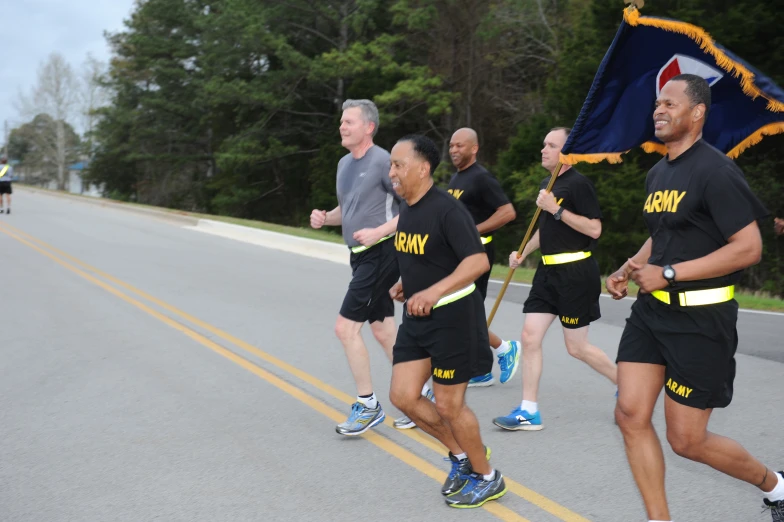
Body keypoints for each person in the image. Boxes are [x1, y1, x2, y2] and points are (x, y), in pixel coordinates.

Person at [606, 74, 783, 522]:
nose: (658, 111)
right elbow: (663, 234)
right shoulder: (657, 172)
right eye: (656, 105)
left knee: (687, 441)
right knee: (629, 414)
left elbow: (748, 248)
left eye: (669, 103)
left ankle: (777, 486)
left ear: (697, 112)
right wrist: (630, 266)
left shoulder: (716, 170)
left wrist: (668, 273)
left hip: (701, 320)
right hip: (651, 315)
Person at [387, 134, 506, 508]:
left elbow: (477, 262)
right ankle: (461, 456)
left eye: (398, 164)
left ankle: (488, 476)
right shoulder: (407, 208)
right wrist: (408, 283)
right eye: (391, 164)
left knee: (449, 405)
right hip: (418, 319)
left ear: (423, 169)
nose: (391, 171)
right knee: (403, 396)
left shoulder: (448, 209)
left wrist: (433, 291)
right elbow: (429, 255)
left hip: (453, 317)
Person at [310, 99, 432, 435]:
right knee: (381, 329)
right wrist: (326, 218)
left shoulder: (383, 162)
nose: (342, 127)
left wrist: (378, 231)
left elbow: (411, 207)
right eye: (341, 122)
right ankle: (418, 393)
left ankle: (368, 406)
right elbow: (347, 210)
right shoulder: (344, 164)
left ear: (369, 127)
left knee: (345, 328)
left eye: (349, 122)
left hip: (383, 252)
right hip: (359, 255)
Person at [492, 127, 618, 431]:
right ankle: (528, 411)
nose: (543, 150)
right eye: (543, 144)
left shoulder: (579, 185)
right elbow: (545, 229)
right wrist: (523, 252)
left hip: (576, 272)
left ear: (567, 154)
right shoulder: (546, 184)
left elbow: (594, 230)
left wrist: (557, 209)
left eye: (551, 145)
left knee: (576, 348)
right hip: (547, 273)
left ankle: (626, 384)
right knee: (529, 337)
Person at [446, 128, 521, 388]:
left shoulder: (481, 178)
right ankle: (480, 370)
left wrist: (473, 231)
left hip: (477, 253)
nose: (454, 150)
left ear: (474, 148)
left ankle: (503, 349)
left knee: (465, 310)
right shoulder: (457, 178)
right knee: (463, 310)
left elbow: (508, 212)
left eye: (460, 146)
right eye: (451, 146)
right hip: (459, 253)